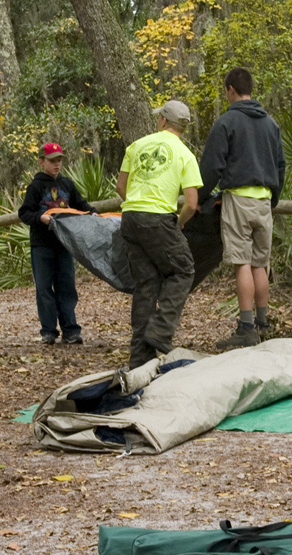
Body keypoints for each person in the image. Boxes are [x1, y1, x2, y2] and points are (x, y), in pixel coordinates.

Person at [198, 67, 286, 349]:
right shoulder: (270, 124)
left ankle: (246, 327)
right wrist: (273, 198)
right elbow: (280, 165)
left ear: (231, 90)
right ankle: (263, 324)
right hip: (263, 200)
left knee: (243, 263)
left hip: (238, 197)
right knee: (261, 263)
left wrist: (199, 197)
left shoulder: (227, 122)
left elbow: (212, 165)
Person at [116, 100, 202, 369]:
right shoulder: (185, 155)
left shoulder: (137, 146)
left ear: (163, 121)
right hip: (158, 218)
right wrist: (178, 224)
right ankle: (161, 332)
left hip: (130, 218)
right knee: (184, 270)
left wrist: (139, 206)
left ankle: (140, 358)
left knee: (146, 283)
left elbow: (121, 187)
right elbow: (190, 202)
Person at [18, 142, 96, 345]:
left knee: (66, 286)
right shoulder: (35, 186)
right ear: (42, 161)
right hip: (41, 245)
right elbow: (25, 213)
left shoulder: (67, 184)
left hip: (64, 244)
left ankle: (71, 330)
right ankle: (48, 331)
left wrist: (93, 213)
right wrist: (40, 218)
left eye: (59, 160)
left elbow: (80, 204)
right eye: (52, 160)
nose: (57, 164)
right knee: (44, 288)